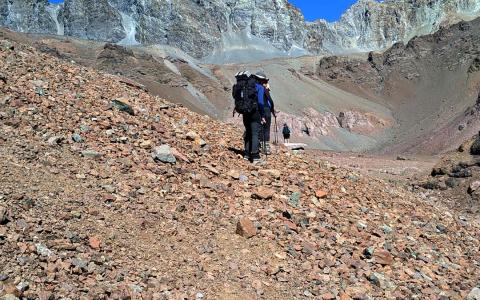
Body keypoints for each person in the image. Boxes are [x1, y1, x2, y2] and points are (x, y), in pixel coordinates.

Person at [259, 81, 276, 154]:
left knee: (262, 129)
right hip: (267, 111)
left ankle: (262, 147)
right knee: (266, 129)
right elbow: (271, 102)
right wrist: (272, 111)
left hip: (260, 112)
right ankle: (266, 148)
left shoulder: (259, 90)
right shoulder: (265, 91)